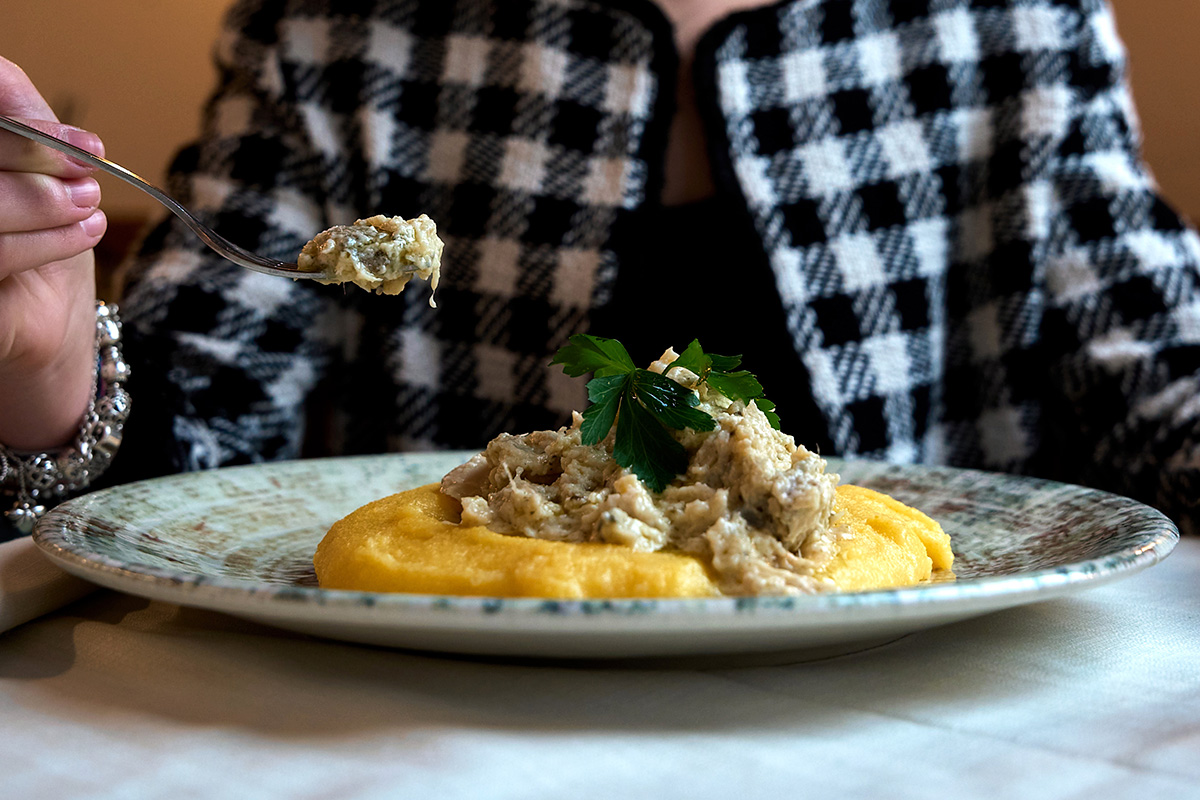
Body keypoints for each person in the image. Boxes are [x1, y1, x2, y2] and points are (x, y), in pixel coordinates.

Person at [2, 0, 1197, 541]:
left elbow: (1163, 383)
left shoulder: (1025, 22)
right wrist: (49, 355)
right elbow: (179, 460)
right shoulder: (332, 27)